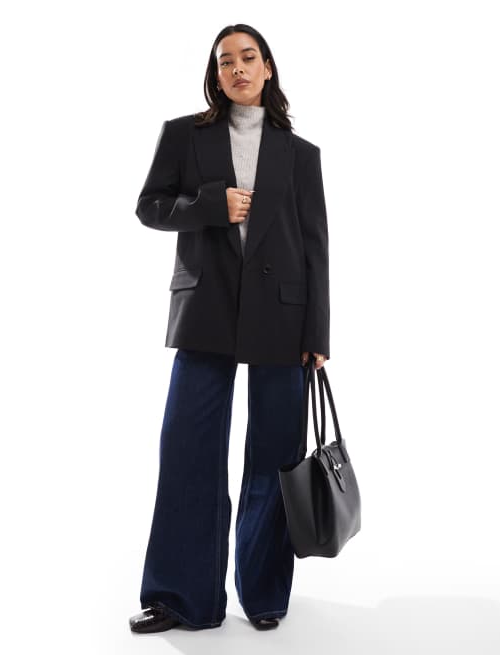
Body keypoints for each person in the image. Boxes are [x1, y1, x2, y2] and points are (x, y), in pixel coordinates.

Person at [129, 23, 330, 634]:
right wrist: (210, 207)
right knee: (188, 451)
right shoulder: (184, 135)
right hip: (206, 310)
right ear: (215, 76)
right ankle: (181, 598)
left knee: (275, 457)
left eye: (248, 57)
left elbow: (316, 247)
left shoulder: (300, 154)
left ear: (267, 68)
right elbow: (150, 207)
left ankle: (264, 593)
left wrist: (318, 335)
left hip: (284, 316)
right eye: (225, 61)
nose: (237, 68)